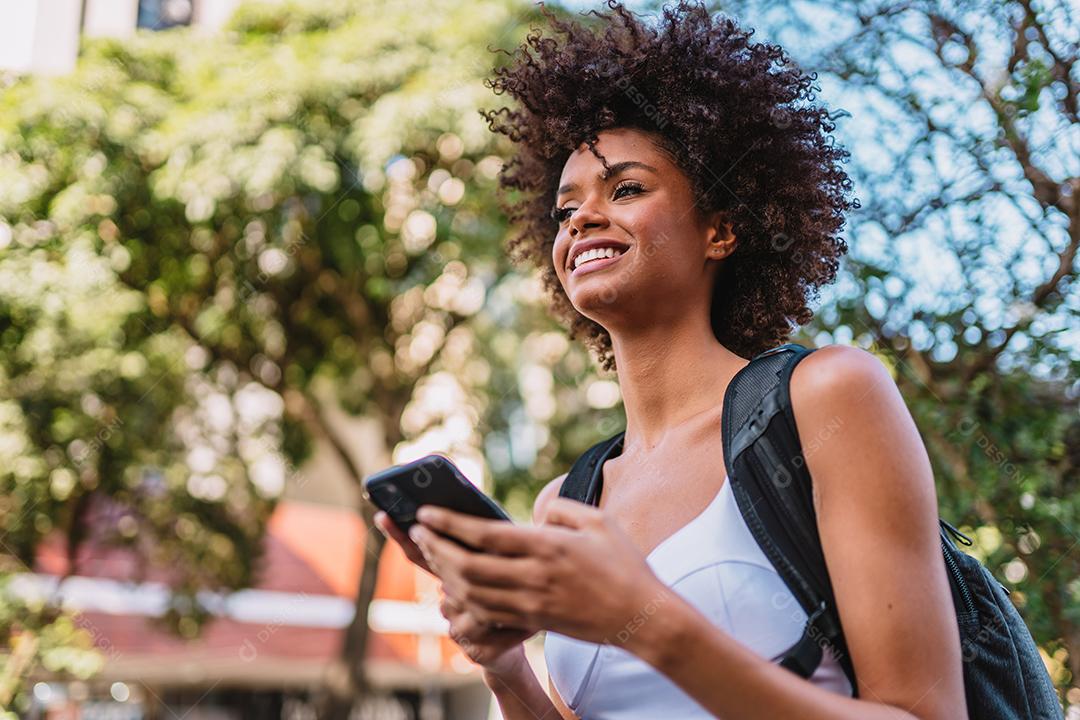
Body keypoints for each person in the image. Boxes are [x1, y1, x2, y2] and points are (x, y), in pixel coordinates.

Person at [375, 1, 968, 718]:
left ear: (719, 229)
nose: (583, 219)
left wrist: (648, 620)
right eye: (565, 211)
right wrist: (506, 670)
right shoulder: (567, 500)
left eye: (625, 189)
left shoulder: (826, 398)